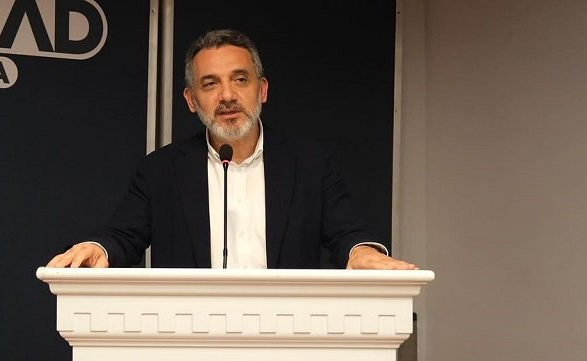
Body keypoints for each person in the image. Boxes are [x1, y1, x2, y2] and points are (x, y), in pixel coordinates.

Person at [47, 29, 416, 271]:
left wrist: (360, 252)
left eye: (240, 79)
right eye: (210, 84)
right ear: (191, 100)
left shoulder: (309, 163)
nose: (227, 95)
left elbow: (345, 235)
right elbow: (123, 237)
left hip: (287, 338)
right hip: (191, 338)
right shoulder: (161, 171)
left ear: (262, 90)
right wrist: (99, 248)